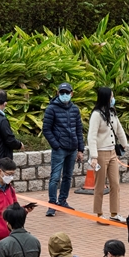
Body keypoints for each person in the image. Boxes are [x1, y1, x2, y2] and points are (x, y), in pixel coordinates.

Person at [85, 86, 128, 221]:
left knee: (115, 183)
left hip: (112, 152)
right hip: (101, 153)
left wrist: (124, 143)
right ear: (106, 98)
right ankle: (99, 213)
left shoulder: (112, 112)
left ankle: (114, 213)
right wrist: (94, 156)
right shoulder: (96, 115)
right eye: (112, 96)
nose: (113, 99)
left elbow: (119, 129)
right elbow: (91, 136)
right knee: (100, 185)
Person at [42, 82, 84, 215]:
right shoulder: (51, 109)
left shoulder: (75, 109)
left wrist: (80, 149)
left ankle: (63, 201)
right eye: (62, 93)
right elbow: (46, 129)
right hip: (60, 149)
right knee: (55, 177)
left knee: (67, 176)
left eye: (67, 92)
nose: (64, 95)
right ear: (58, 93)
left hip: (72, 148)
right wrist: (56, 145)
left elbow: (79, 130)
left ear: (71, 93)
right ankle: (52, 203)